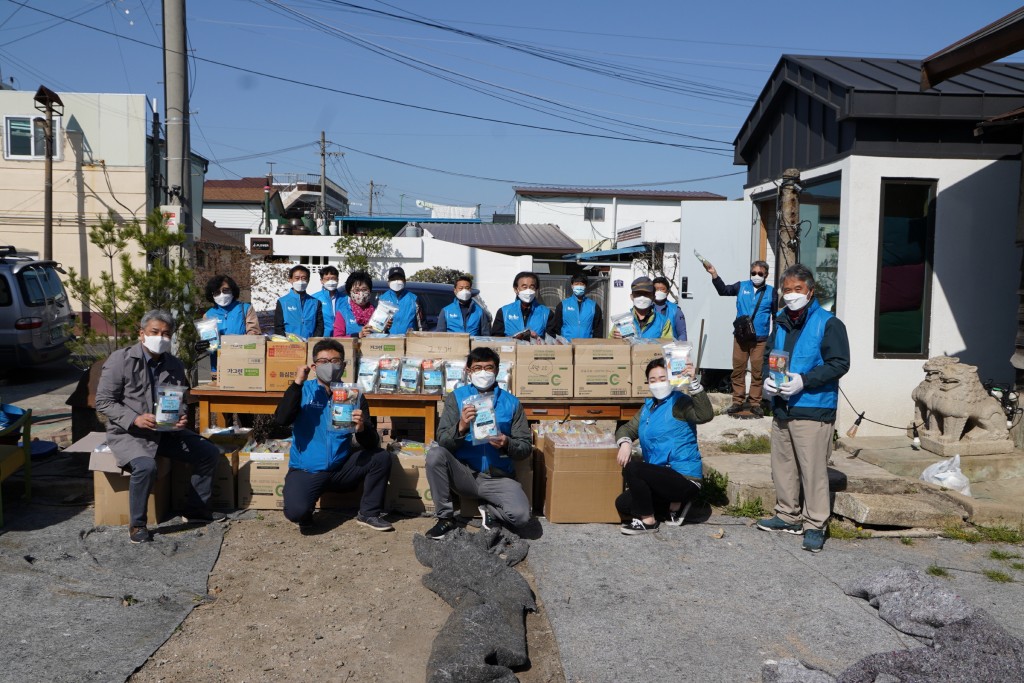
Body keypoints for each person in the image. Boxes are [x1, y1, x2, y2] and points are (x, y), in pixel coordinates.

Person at [95, 310, 224, 544]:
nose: (161, 337)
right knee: (146, 467)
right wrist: (134, 418)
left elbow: (179, 400)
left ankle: (196, 510)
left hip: (166, 432)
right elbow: (104, 402)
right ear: (141, 334)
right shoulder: (120, 360)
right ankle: (137, 525)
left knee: (208, 453)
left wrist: (181, 417)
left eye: (166, 333)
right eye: (155, 332)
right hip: (130, 433)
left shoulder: (174, 364)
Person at [756, 264, 850, 553]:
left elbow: (839, 363)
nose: (792, 294)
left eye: (798, 289)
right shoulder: (781, 319)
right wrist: (767, 382)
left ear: (811, 291)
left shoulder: (828, 323)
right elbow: (768, 357)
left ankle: (815, 524)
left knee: (813, 470)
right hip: (782, 405)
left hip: (813, 407)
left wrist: (804, 381)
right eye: (787, 290)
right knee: (782, 466)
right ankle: (787, 515)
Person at [273, 338, 393, 533]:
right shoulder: (303, 391)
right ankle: (306, 506)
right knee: (296, 513)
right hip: (308, 470)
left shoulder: (353, 395)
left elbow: (371, 443)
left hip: (341, 468)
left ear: (343, 365)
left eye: (335, 361)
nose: (330, 366)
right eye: (323, 362)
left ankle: (369, 513)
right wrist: (297, 383)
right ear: (313, 366)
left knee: (381, 457)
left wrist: (362, 428)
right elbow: (281, 419)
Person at [424, 347, 532, 539]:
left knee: (522, 517)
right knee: (435, 454)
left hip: (498, 477)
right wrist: (461, 426)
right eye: (477, 368)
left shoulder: (512, 403)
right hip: (465, 474)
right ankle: (445, 518)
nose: (483, 372)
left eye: (489, 368)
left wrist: (507, 443)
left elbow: (524, 448)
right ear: (468, 371)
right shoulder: (456, 398)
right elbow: (443, 440)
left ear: (497, 371)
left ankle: (491, 510)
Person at [614, 358, 713, 534]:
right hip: (660, 477)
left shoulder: (679, 402)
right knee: (623, 503)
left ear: (671, 379)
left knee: (634, 469)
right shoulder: (648, 407)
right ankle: (673, 508)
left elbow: (704, 415)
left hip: (683, 477)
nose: (657, 383)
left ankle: (648, 521)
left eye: (662, 378)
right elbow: (627, 429)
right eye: (652, 380)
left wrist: (694, 383)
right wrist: (625, 443)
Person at [704, 259, 775, 417]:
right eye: (753, 273)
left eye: (760, 273)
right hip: (741, 337)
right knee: (738, 369)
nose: (756, 276)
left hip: (760, 339)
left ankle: (755, 402)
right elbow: (723, 290)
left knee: (757, 371)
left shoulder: (771, 292)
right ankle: (737, 401)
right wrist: (714, 274)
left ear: (766, 275)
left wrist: (774, 337)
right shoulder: (741, 286)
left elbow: (775, 316)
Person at [202, 274, 260, 374]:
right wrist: (203, 345)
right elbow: (209, 346)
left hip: (243, 365)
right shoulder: (208, 315)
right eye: (217, 292)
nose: (222, 294)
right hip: (218, 369)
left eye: (225, 290)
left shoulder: (245, 309)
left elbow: (254, 334)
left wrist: (234, 342)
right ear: (212, 295)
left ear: (233, 290)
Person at [491, 271, 550, 340]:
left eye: (532, 287)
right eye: (524, 287)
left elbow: (552, 340)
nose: (528, 290)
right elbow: (496, 338)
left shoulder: (546, 313)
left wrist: (537, 338)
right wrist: (514, 339)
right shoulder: (504, 312)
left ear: (536, 290)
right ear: (516, 289)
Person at [547, 273, 603, 341]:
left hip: (586, 347)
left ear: (586, 286)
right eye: (576, 284)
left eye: (582, 284)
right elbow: (555, 328)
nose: (579, 286)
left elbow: (598, 331)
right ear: (572, 286)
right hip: (567, 347)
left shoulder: (593, 306)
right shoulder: (563, 305)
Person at [274, 265, 323, 339]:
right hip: (289, 345)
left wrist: (313, 341)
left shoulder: (316, 302)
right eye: (297, 278)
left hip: (309, 345)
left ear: (308, 280)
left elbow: (320, 325)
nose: (300, 281)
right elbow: (278, 327)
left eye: (304, 278)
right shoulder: (282, 302)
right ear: (290, 280)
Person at [377, 266, 423, 335]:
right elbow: (377, 326)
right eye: (393, 279)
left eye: (399, 278)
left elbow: (422, 325)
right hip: (388, 342)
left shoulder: (414, 299)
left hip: (409, 341)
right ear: (388, 282)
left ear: (404, 281)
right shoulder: (382, 299)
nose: (396, 281)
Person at [333, 270, 376, 338]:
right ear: (349, 292)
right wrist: (358, 335)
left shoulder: (376, 312)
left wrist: (385, 328)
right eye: (357, 290)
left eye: (364, 290)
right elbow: (337, 338)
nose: (361, 293)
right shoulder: (343, 312)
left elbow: (382, 336)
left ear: (370, 291)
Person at [312, 266, 345, 338]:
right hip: (323, 337)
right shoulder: (314, 299)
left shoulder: (345, 298)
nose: (331, 281)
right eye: (327, 279)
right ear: (321, 281)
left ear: (338, 280)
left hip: (342, 337)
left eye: (333, 278)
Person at [652, 276, 688, 341]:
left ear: (667, 292)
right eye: (656, 289)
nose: (659, 291)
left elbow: (682, 333)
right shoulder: (647, 309)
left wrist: (681, 348)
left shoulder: (675, 310)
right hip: (650, 347)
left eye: (662, 289)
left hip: (670, 347)